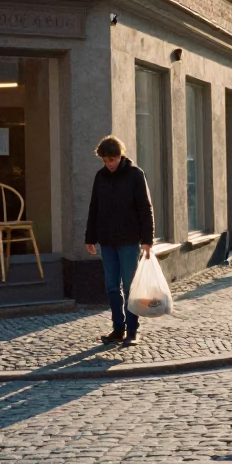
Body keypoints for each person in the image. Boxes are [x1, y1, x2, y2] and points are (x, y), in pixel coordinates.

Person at [85, 135, 155, 346]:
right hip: (107, 240)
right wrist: (90, 238)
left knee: (130, 285)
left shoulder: (135, 175)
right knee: (112, 286)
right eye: (105, 161)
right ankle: (118, 328)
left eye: (112, 160)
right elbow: (94, 208)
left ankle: (133, 330)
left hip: (129, 240)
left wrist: (147, 240)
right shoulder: (101, 176)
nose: (109, 164)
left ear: (120, 156)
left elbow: (145, 208)